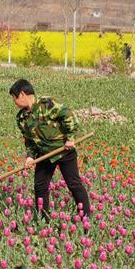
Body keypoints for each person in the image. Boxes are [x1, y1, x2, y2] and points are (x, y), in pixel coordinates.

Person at [9, 79, 91, 222]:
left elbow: (68, 115)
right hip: (44, 154)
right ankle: (42, 220)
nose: (14, 102)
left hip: (64, 150)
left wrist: (70, 138)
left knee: (73, 183)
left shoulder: (46, 105)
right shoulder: (21, 118)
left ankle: (85, 217)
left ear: (22, 94)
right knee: (40, 186)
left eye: (14, 98)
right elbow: (29, 140)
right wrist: (30, 156)